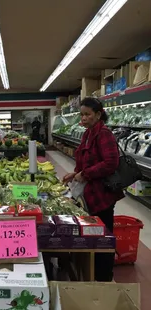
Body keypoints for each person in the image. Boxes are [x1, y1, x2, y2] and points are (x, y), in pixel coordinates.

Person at [63, 97, 124, 282]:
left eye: (87, 114)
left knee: (103, 237)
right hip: (89, 195)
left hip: (101, 195)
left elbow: (111, 163)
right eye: (81, 114)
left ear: (98, 114)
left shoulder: (103, 134)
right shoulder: (87, 134)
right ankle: (93, 269)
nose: (84, 118)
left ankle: (104, 277)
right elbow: (85, 161)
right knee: (93, 233)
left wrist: (86, 174)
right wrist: (74, 175)